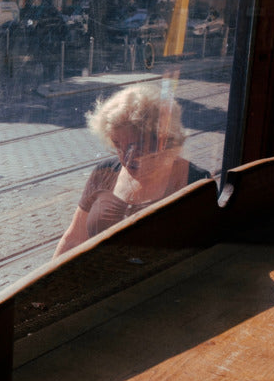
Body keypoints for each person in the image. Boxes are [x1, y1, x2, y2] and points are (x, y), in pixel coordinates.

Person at [53, 83, 212, 257]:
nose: (126, 159)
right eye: (117, 145)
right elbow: (73, 239)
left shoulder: (195, 182)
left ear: (163, 140)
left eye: (136, 147)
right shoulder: (104, 173)